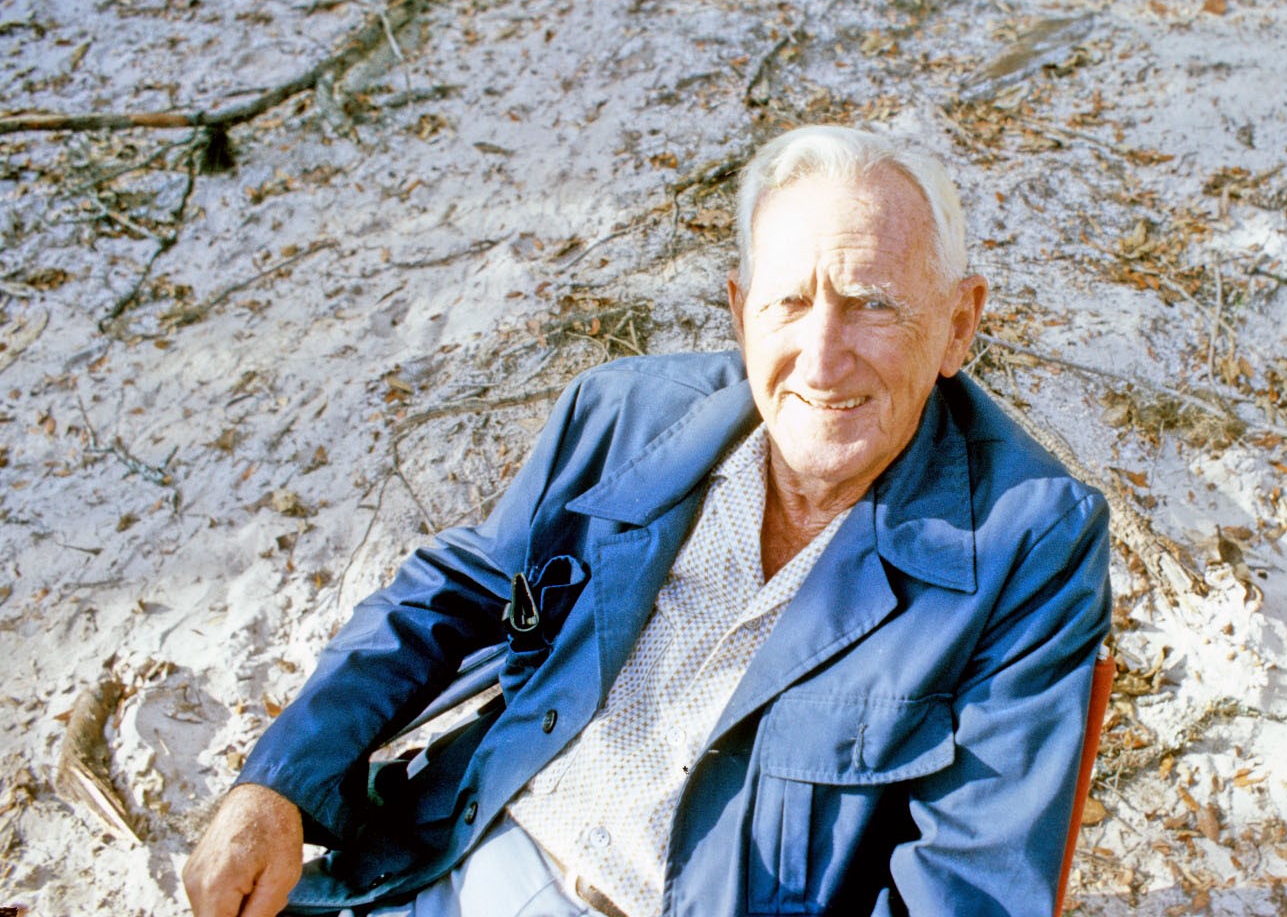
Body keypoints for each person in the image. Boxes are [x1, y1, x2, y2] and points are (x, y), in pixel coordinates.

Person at [183, 125, 1112, 917]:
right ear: (741, 312)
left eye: (873, 304)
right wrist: (278, 781)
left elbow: (971, 885)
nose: (822, 360)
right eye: (790, 301)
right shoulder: (623, 417)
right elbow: (450, 594)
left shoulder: (1027, 541)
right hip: (464, 862)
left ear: (958, 324)